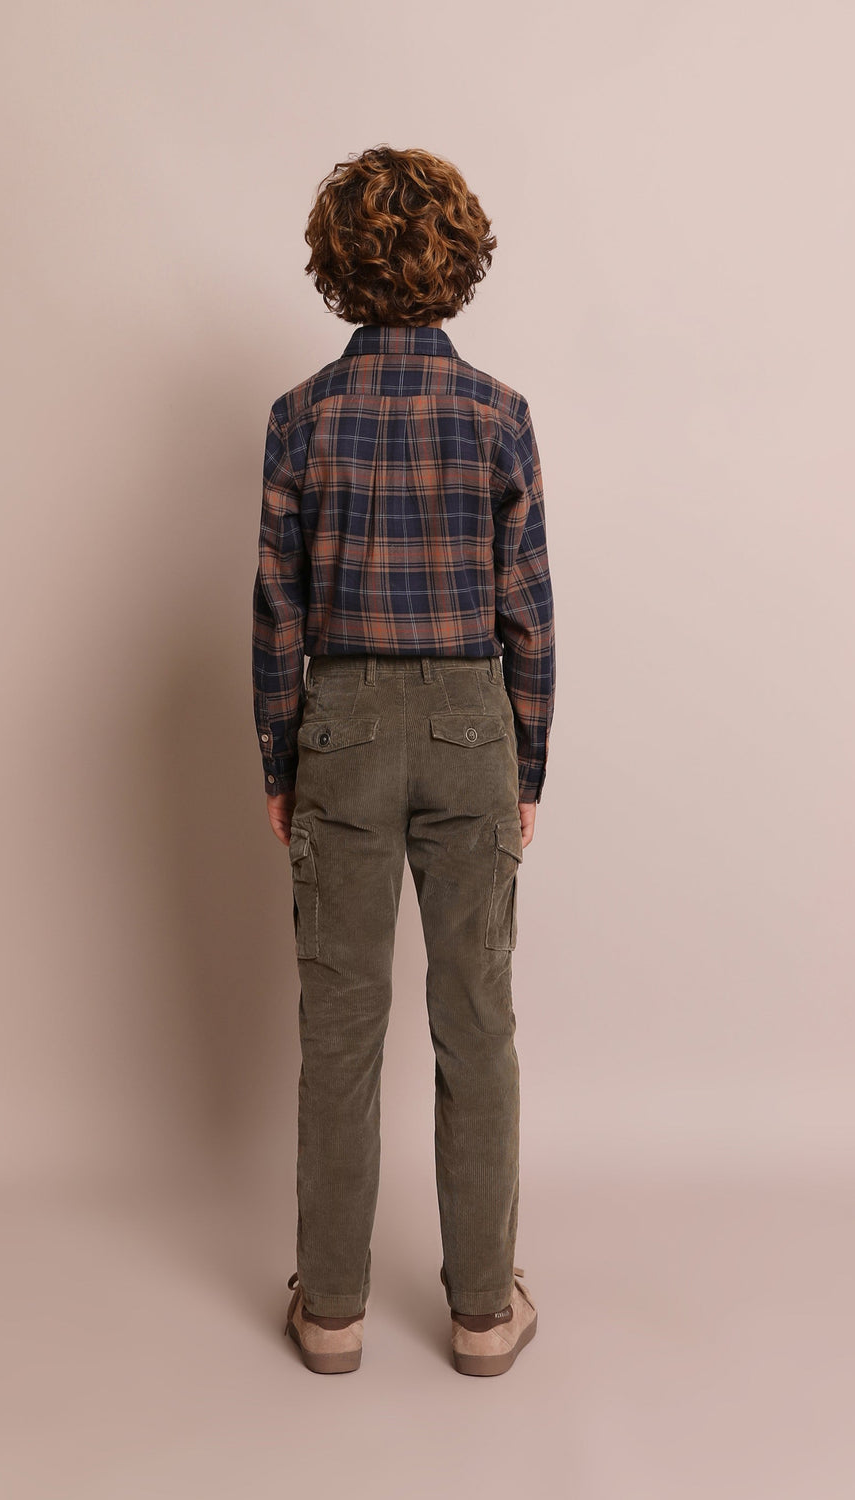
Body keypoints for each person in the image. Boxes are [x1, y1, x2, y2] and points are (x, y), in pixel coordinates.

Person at [252, 145, 554, 1376]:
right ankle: (482, 1314)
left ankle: (331, 1312)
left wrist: (281, 763)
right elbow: (527, 614)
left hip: (342, 729)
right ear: (460, 261)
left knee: (341, 1029)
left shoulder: (300, 418)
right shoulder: (498, 416)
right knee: (475, 1021)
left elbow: (278, 613)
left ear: (335, 265)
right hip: (471, 729)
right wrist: (524, 770)